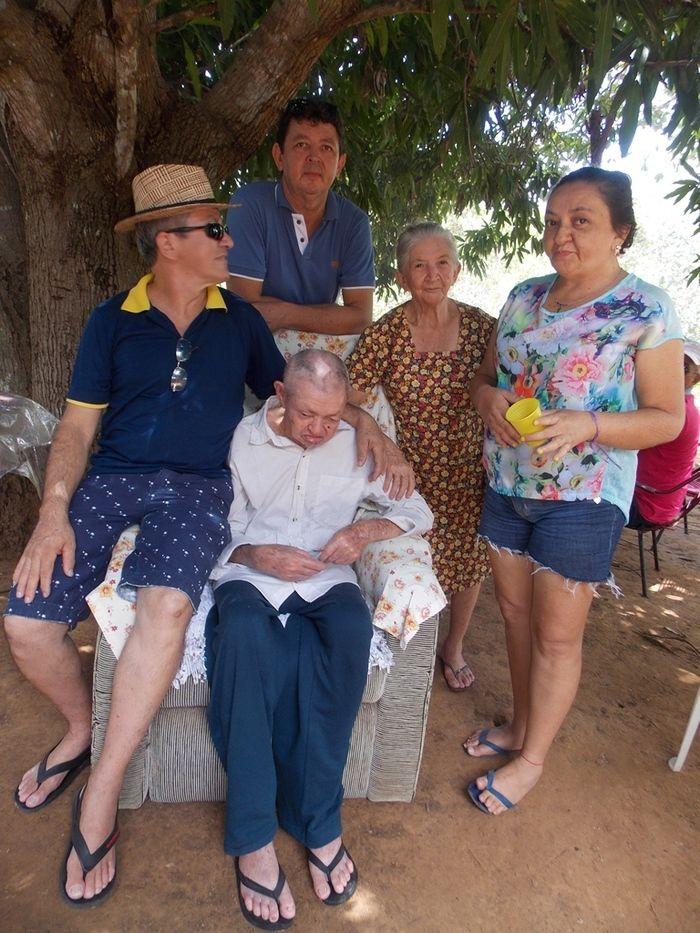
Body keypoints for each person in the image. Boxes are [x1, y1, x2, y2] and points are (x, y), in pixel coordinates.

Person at [2, 164, 400, 907]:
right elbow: (78, 425)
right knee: (24, 620)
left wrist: (368, 420)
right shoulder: (109, 320)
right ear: (166, 242)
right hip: (114, 477)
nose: (230, 238)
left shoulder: (239, 320)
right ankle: (78, 728)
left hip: (197, 488)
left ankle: (102, 796)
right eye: (214, 229)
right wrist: (54, 506)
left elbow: (301, 392)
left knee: (166, 608)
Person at [465, 166, 685, 815]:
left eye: (581, 220)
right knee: (513, 616)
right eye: (554, 220)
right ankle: (518, 726)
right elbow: (486, 376)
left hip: (586, 496)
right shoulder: (522, 295)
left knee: (557, 637)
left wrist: (589, 423)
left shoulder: (646, 307)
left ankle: (531, 760)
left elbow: (666, 416)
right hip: (508, 482)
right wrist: (487, 398)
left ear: (620, 232)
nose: (561, 233)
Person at [206, 350, 433, 930]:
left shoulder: (359, 439)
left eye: (333, 418)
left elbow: (416, 510)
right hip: (252, 573)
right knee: (240, 638)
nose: (319, 429)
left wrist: (365, 529)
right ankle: (254, 835)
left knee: (350, 632)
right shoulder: (242, 441)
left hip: (326, 576)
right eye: (308, 415)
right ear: (279, 394)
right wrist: (256, 554)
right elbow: (217, 526)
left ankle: (317, 820)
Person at [346, 222, 494, 690]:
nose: (433, 274)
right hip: (409, 471)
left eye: (442, 262)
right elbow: (346, 397)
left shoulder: (482, 328)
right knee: (419, 557)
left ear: (457, 268)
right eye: (419, 265)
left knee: (470, 560)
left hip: (471, 468)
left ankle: (453, 646)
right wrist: (376, 433)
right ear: (401, 276)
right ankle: (413, 648)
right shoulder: (387, 331)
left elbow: (506, 389)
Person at [226, 98, 374, 335]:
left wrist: (284, 313)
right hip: (258, 352)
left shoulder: (354, 222)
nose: (314, 157)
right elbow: (245, 311)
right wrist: (328, 317)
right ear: (279, 156)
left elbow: (361, 318)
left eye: (326, 148)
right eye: (301, 145)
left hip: (323, 359)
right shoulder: (250, 204)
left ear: (340, 164)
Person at [629, 341, 700, 527]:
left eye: (684, 367)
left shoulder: (675, 412)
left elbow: (623, 440)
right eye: (671, 361)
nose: (673, 369)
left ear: (696, 379)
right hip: (661, 503)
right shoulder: (681, 406)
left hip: (646, 505)